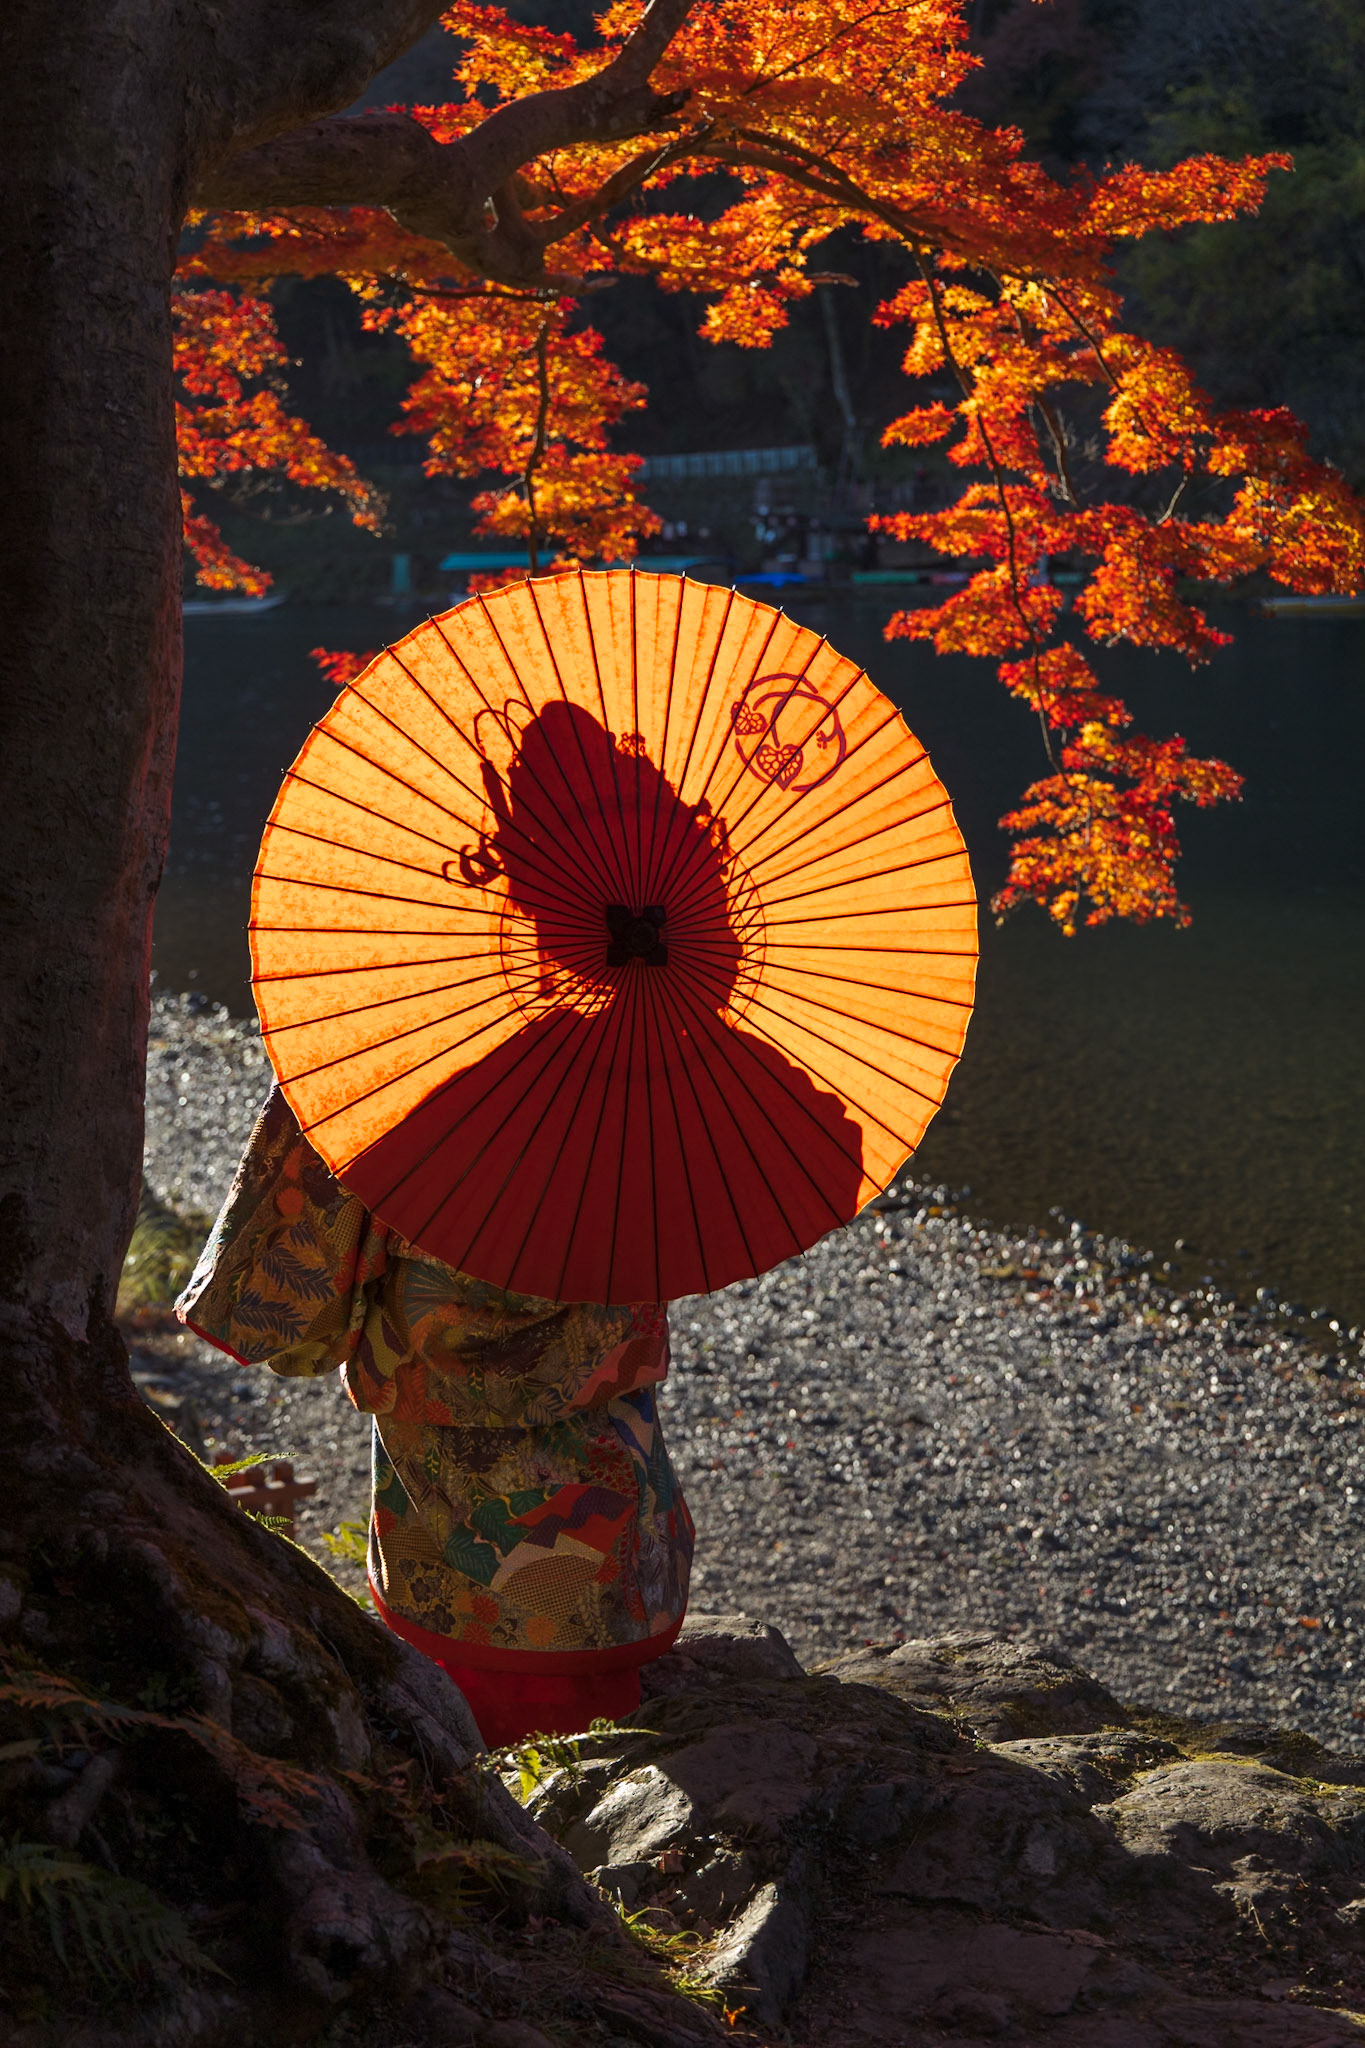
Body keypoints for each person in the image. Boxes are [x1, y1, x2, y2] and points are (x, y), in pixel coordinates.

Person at [176, 1085, 693, 1748]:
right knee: (597, 1722)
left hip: (443, 1477)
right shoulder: (651, 1081)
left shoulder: (398, 1071)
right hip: (612, 1486)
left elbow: (293, 1305)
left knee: (464, 1721)